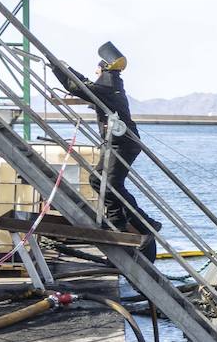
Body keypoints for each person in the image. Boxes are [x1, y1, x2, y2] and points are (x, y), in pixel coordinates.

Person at [49, 42, 161, 248]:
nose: (95, 73)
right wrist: (65, 68)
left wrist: (57, 67)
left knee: (110, 185)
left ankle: (140, 224)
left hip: (122, 144)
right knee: (98, 180)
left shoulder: (108, 84)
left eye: (98, 69)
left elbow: (77, 85)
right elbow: (85, 85)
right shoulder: (111, 84)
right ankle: (123, 222)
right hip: (118, 143)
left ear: (104, 68)